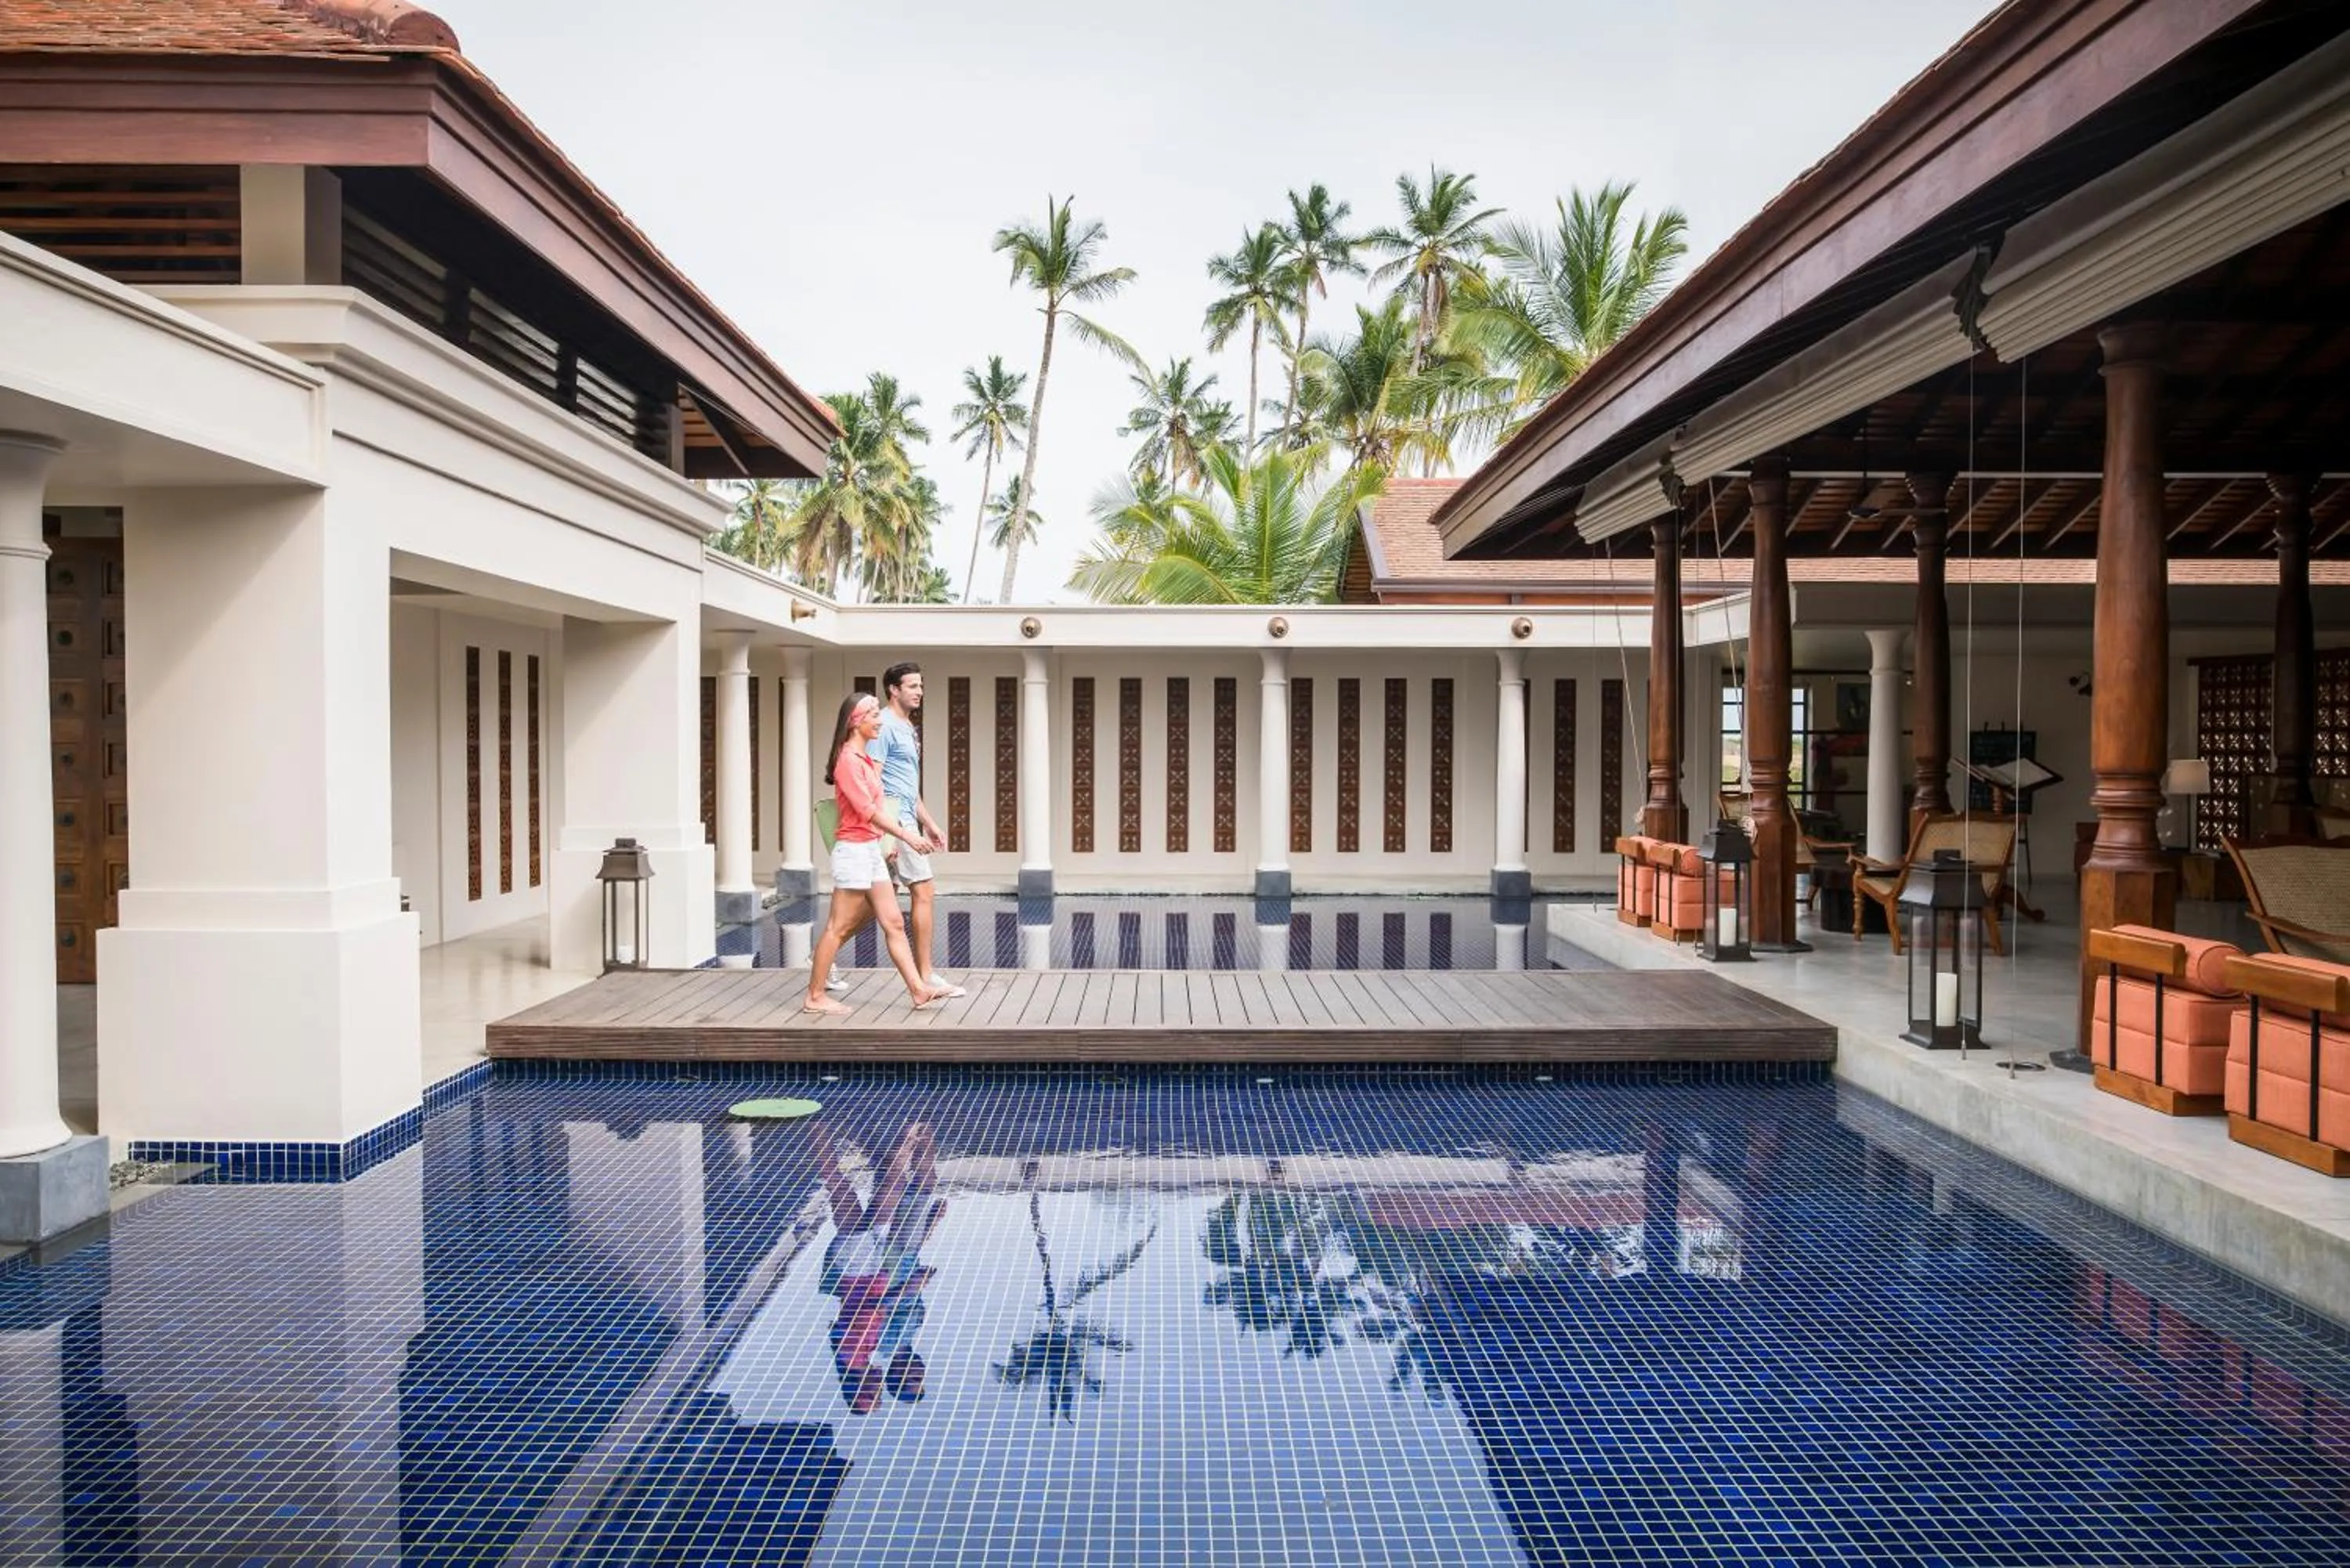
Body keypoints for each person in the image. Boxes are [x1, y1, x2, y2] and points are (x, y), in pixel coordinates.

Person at [804, 693, 949, 1014]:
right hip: (853, 852)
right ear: (856, 722)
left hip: (870, 849)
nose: (879, 720)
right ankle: (814, 996)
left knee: (894, 922)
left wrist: (888, 843)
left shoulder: (865, 761)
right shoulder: (847, 762)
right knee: (838, 927)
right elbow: (869, 811)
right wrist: (907, 835)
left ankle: (918, 991)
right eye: (873, 714)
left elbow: (881, 810)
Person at [814, 1121, 941, 1413]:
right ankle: (818, 1123)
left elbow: (869, 1307)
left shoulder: (860, 1351)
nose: (878, 1388)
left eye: (873, 1396)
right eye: (880, 1396)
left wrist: (909, 1286)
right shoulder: (864, 1353)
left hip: (864, 1268)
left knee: (849, 1185)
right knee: (854, 1186)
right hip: (872, 1268)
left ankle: (816, 1122)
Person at [870, 662, 963, 999]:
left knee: (872, 902)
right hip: (894, 820)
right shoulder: (883, 725)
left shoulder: (908, 727)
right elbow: (874, 782)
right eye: (913, 686)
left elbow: (909, 786)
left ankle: (823, 954)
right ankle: (925, 975)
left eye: (921, 686)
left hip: (907, 816)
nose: (920, 692)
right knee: (923, 890)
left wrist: (931, 823)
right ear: (894, 689)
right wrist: (893, 833)